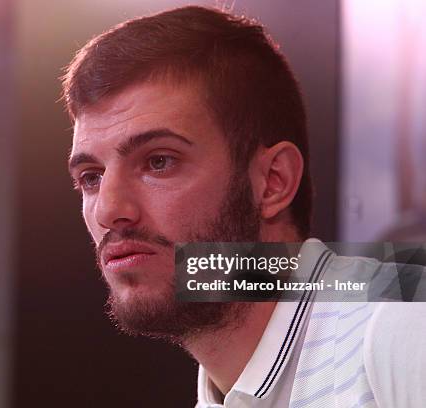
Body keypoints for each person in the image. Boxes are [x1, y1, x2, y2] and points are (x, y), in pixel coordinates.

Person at [62, 6, 425, 407]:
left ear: (272, 182)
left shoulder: (400, 325)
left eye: (159, 161)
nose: (108, 210)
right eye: (91, 177)